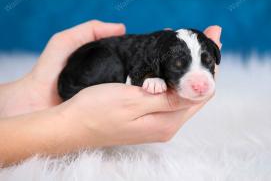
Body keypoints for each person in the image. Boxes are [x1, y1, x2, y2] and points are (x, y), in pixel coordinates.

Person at [0, 20, 222, 167]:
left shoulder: (165, 49)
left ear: (214, 57)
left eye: (207, 62)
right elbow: (139, 72)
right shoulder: (155, 55)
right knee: (113, 65)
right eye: (179, 65)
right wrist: (72, 125)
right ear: (160, 63)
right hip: (89, 62)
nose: (200, 82)